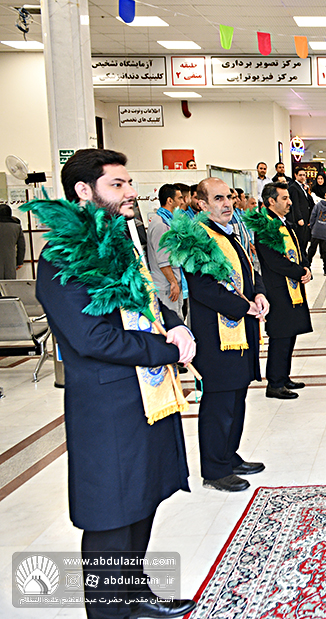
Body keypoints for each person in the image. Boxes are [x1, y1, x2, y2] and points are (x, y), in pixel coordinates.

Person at [33, 148, 197, 619]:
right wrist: (166, 350)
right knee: (111, 515)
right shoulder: (63, 256)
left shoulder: (122, 242)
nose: (130, 192)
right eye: (117, 184)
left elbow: (147, 301)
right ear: (84, 191)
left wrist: (175, 325)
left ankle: (135, 595)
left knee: (143, 499)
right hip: (108, 406)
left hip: (146, 396)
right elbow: (91, 338)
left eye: (129, 183)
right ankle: (109, 611)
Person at [186, 178, 269, 493]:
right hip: (216, 338)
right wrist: (244, 306)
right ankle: (215, 469)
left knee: (237, 398)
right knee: (219, 402)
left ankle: (229, 455)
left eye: (229, 197)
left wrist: (259, 293)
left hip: (241, 333)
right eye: (218, 198)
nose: (227, 204)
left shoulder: (228, 232)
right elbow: (203, 288)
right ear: (201, 204)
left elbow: (250, 271)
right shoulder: (197, 238)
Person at [254, 182, 313, 400]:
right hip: (278, 291)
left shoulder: (283, 223)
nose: (289, 203)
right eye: (284, 198)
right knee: (280, 337)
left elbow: (298, 249)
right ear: (271, 201)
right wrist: (299, 271)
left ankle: (283, 376)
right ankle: (275, 383)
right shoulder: (265, 226)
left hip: (292, 289)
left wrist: (306, 267)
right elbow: (274, 261)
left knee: (289, 335)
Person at [145, 184, 186, 316]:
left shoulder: (168, 221)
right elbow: (163, 259)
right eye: (179, 198)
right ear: (170, 200)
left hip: (173, 283)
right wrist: (173, 282)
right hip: (167, 286)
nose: (182, 202)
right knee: (172, 321)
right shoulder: (161, 224)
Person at [308, 188, 326, 276]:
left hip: (316, 231)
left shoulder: (318, 205)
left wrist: (312, 227)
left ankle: (308, 266)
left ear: (325, 195)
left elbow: (313, 216)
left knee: (312, 250)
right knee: (325, 251)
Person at [288, 168, 314, 253]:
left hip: (306, 217)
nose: (302, 177)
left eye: (304, 175)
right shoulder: (294, 188)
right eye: (300, 175)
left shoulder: (303, 187)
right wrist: (299, 218)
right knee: (301, 241)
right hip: (300, 219)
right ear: (295, 175)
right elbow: (295, 204)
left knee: (305, 240)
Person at [0, 203, 26, 278]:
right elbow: (21, 246)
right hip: (10, 263)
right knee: (9, 283)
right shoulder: (16, 227)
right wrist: (19, 261)